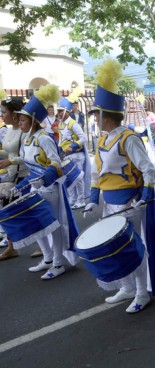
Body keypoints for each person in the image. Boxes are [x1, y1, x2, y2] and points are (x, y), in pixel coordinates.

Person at [83, 59, 155, 313]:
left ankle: (142, 292)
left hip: (130, 202)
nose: (94, 120)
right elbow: (97, 173)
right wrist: (92, 198)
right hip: (110, 202)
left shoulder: (128, 138)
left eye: (96, 115)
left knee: (132, 247)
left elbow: (148, 169)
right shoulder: (102, 140)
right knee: (114, 248)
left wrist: (144, 195)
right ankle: (128, 286)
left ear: (104, 115)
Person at [12, 84, 80, 279]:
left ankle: (58, 263)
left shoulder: (44, 138)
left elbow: (56, 162)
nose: (20, 121)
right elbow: (28, 163)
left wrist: (45, 178)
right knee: (39, 225)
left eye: (23, 118)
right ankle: (48, 258)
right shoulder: (26, 139)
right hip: (34, 188)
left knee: (53, 225)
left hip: (50, 189)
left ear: (33, 120)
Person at [0, 97, 29, 260]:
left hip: (23, 177)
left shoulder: (23, 131)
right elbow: (9, 152)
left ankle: (48, 249)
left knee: (26, 213)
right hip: (10, 175)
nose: (2, 115)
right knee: (7, 210)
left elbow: (28, 156)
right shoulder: (9, 129)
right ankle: (12, 246)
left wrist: (10, 161)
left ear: (14, 113)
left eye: (4, 112)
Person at [56, 91, 91, 209]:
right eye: (58, 111)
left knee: (78, 178)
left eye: (61, 111)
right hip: (66, 156)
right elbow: (62, 140)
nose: (59, 113)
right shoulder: (61, 124)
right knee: (69, 178)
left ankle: (81, 200)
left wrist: (73, 147)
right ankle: (73, 198)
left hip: (76, 155)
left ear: (67, 111)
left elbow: (84, 138)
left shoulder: (73, 123)